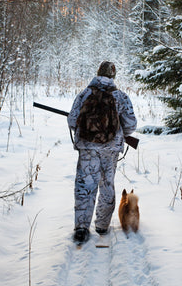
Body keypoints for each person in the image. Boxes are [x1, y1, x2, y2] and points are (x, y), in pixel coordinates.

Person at [67, 61, 137, 244]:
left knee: (85, 186)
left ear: (97, 73)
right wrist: (118, 134)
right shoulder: (120, 96)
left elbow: (72, 120)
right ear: (113, 77)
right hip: (110, 150)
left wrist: (86, 132)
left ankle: (81, 228)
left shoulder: (84, 94)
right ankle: (102, 226)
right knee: (107, 185)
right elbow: (131, 125)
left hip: (87, 149)